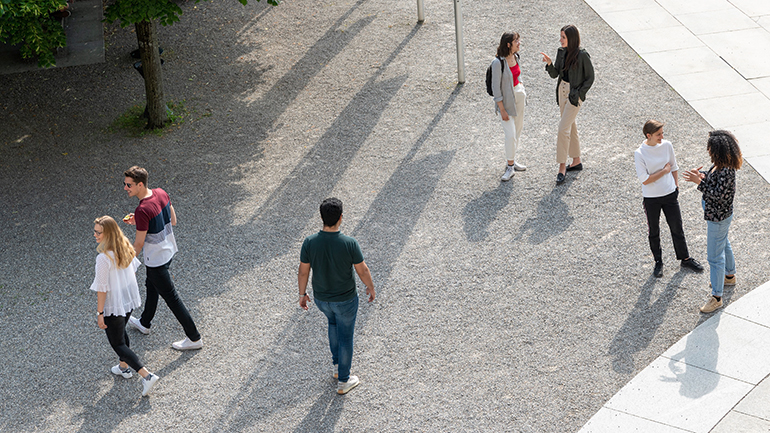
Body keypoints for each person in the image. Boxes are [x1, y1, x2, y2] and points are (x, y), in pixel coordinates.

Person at [298, 198, 375, 395]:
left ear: (321, 217)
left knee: (332, 325)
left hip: (322, 299)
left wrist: (302, 294)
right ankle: (344, 379)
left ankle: (336, 367)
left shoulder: (310, 242)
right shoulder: (349, 243)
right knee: (346, 335)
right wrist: (370, 287)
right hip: (346, 299)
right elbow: (362, 270)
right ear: (341, 218)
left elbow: (303, 271)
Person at [122, 166, 202, 351]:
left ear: (140, 184)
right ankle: (144, 323)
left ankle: (194, 337)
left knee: (172, 298)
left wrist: (125, 262)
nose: (125, 188)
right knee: (151, 285)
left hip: (155, 259)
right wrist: (140, 220)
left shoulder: (142, 209)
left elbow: (139, 244)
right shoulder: (161, 193)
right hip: (168, 251)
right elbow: (172, 220)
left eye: (129, 185)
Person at [90, 216, 159, 396]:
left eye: (98, 232)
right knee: (121, 333)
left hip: (114, 305)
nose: (95, 235)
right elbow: (133, 269)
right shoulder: (126, 247)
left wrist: (100, 312)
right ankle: (123, 367)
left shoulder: (103, 259)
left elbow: (102, 289)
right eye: (95, 231)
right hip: (128, 302)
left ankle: (147, 376)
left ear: (108, 234)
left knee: (118, 343)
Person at [634, 120, 704, 277]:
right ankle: (658, 262)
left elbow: (673, 167)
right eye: (659, 134)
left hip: (669, 194)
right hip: (651, 198)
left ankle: (685, 258)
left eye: (662, 133)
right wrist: (664, 172)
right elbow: (644, 179)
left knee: (677, 227)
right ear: (649, 135)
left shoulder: (667, 145)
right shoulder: (639, 153)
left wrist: (676, 186)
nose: (662, 136)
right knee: (654, 230)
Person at [683, 130, 742, 313]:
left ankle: (717, 297)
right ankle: (729, 276)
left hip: (718, 218)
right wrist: (703, 176)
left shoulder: (726, 171)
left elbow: (719, 196)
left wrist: (698, 183)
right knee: (723, 243)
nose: (708, 150)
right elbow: (716, 186)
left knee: (714, 258)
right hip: (719, 217)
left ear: (717, 150)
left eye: (710, 147)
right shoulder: (720, 165)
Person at [541, 24, 594, 185]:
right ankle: (576, 160)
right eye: (561, 37)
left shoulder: (582, 55)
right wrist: (550, 64)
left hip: (573, 95)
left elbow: (590, 78)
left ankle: (562, 166)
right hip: (562, 91)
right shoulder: (561, 52)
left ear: (571, 38)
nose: (560, 40)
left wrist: (579, 94)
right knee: (570, 126)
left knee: (563, 128)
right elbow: (556, 74)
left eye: (563, 37)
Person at [491, 32, 528, 181]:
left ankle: (512, 160)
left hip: (519, 98)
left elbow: (517, 75)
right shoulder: (497, 63)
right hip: (505, 102)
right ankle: (510, 167)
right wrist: (502, 109)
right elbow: (496, 89)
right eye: (516, 41)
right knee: (510, 134)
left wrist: (521, 87)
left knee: (517, 131)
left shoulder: (516, 57)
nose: (519, 42)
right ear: (508, 44)